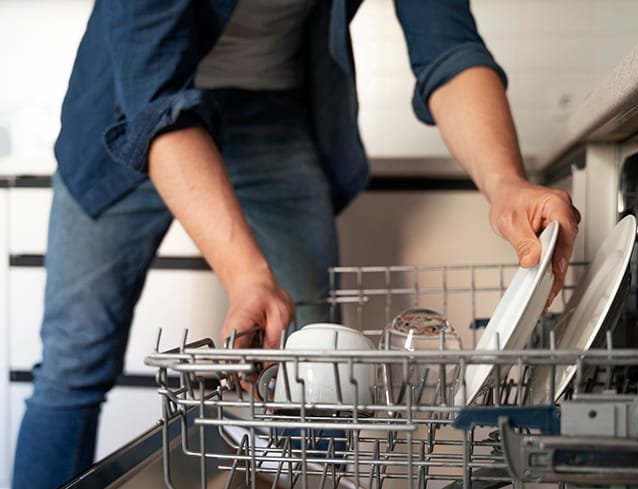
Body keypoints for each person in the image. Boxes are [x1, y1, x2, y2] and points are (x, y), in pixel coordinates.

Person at [12, 0, 580, 487]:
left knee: (317, 368)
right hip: (130, 110)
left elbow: (448, 47)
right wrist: (246, 274)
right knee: (73, 366)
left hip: (272, 115)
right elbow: (154, 96)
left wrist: (505, 182)